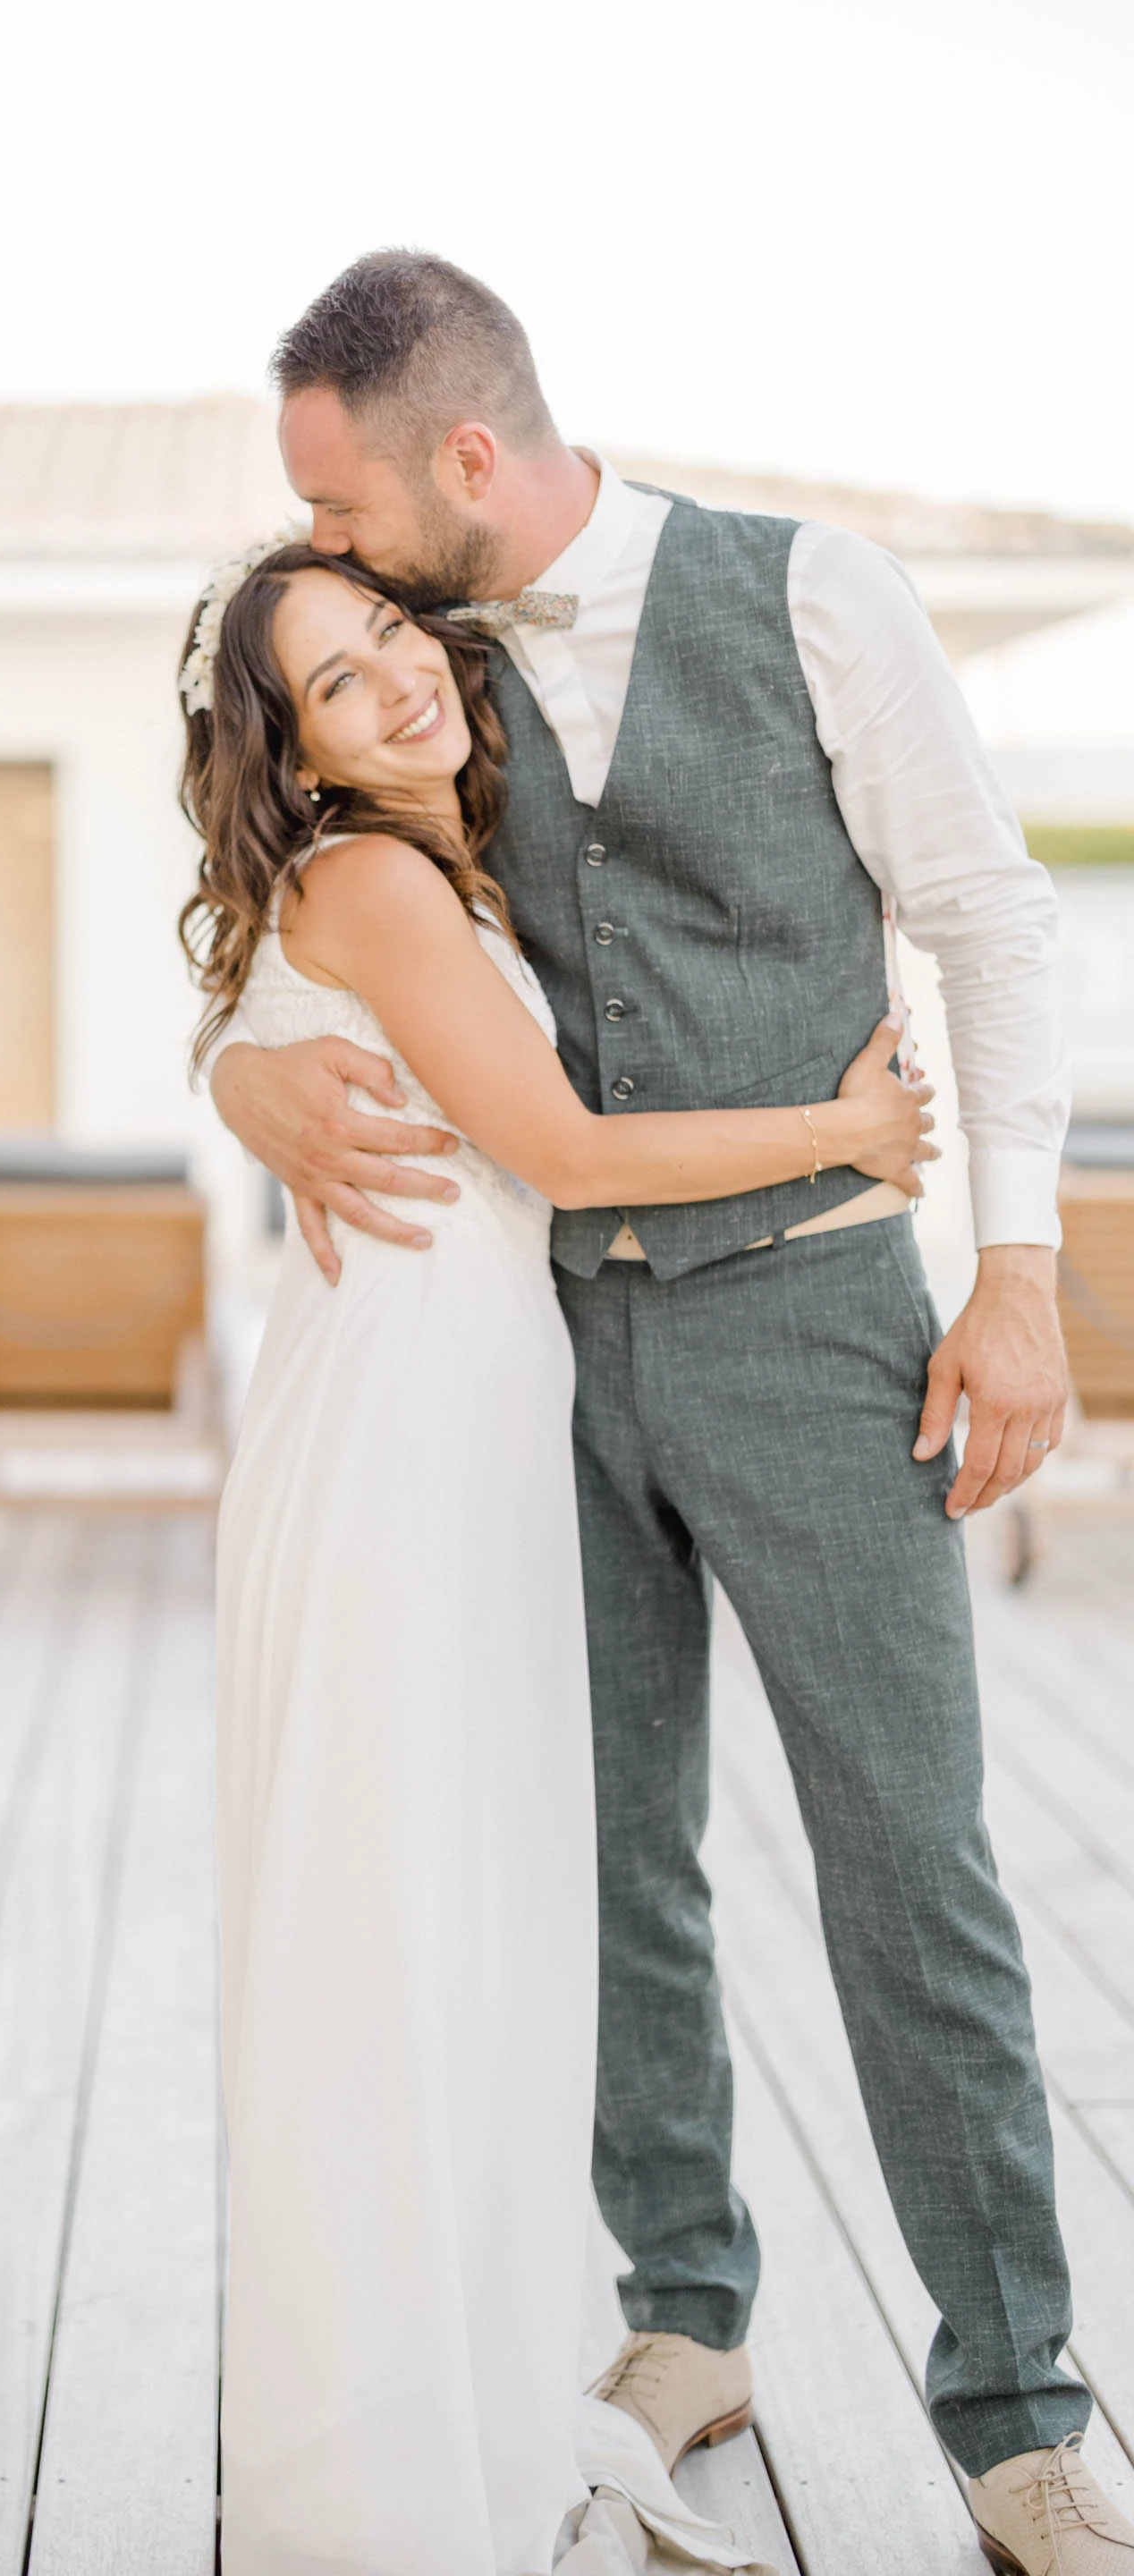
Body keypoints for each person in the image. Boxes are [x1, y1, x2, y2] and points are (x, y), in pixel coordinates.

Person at [207, 251, 1133, 2576]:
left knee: (911, 1871)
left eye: (339, 494)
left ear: (469, 465)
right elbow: (269, 911)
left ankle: (1020, 2413)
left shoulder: (815, 595)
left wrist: (1016, 1268)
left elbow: (993, 920)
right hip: (545, 1357)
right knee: (614, 1866)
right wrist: (238, 1076)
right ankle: (683, 2307)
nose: (324, 541)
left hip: (819, 1328)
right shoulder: (409, 688)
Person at [185, 532, 932, 2575]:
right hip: (409, 1420)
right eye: (330, 685)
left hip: (478, 1404)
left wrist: (236, 1067)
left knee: (486, 1903)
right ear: (303, 751)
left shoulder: (441, 862)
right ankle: (389, 2447)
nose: (387, 685)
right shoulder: (379, 879)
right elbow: (571, 1154)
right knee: (404, 1913)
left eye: (382, 641)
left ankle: (493, 2370)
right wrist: (845, 1132)